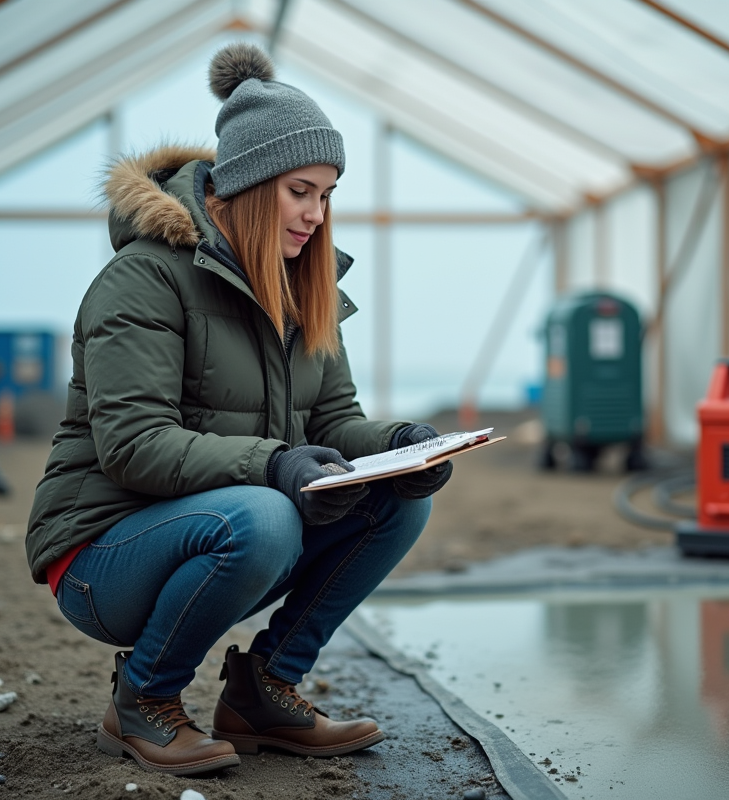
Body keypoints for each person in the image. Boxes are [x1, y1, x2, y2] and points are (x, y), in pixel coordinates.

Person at [24, 42, 453, 777]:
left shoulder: (299, 289)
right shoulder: (144, 281)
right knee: (267, 513)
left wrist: (402, 446)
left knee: (397, 504)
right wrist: (275, 464)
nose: (317, 215)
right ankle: (143, 698)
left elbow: (334, 422)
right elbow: (134, 445)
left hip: (221, 526)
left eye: (326, 194)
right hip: (100, 555)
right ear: (251, 183)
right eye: (301, 191)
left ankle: (264, 691)